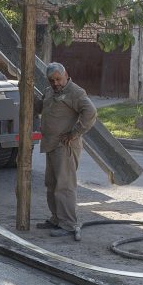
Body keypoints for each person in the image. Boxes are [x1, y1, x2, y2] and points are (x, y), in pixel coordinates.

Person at [35, 62, 96, 241]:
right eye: (52, 80)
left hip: (65, 147)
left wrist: (75, 133)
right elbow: (40, 108)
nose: (56, 83)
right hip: (52, 144)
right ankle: (57, 219)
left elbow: (90, 112)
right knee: (52, 184)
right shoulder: (50, 91)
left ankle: (68, 224)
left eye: (58, 79)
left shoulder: (75, 92)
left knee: (65, 186)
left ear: (66, 75)